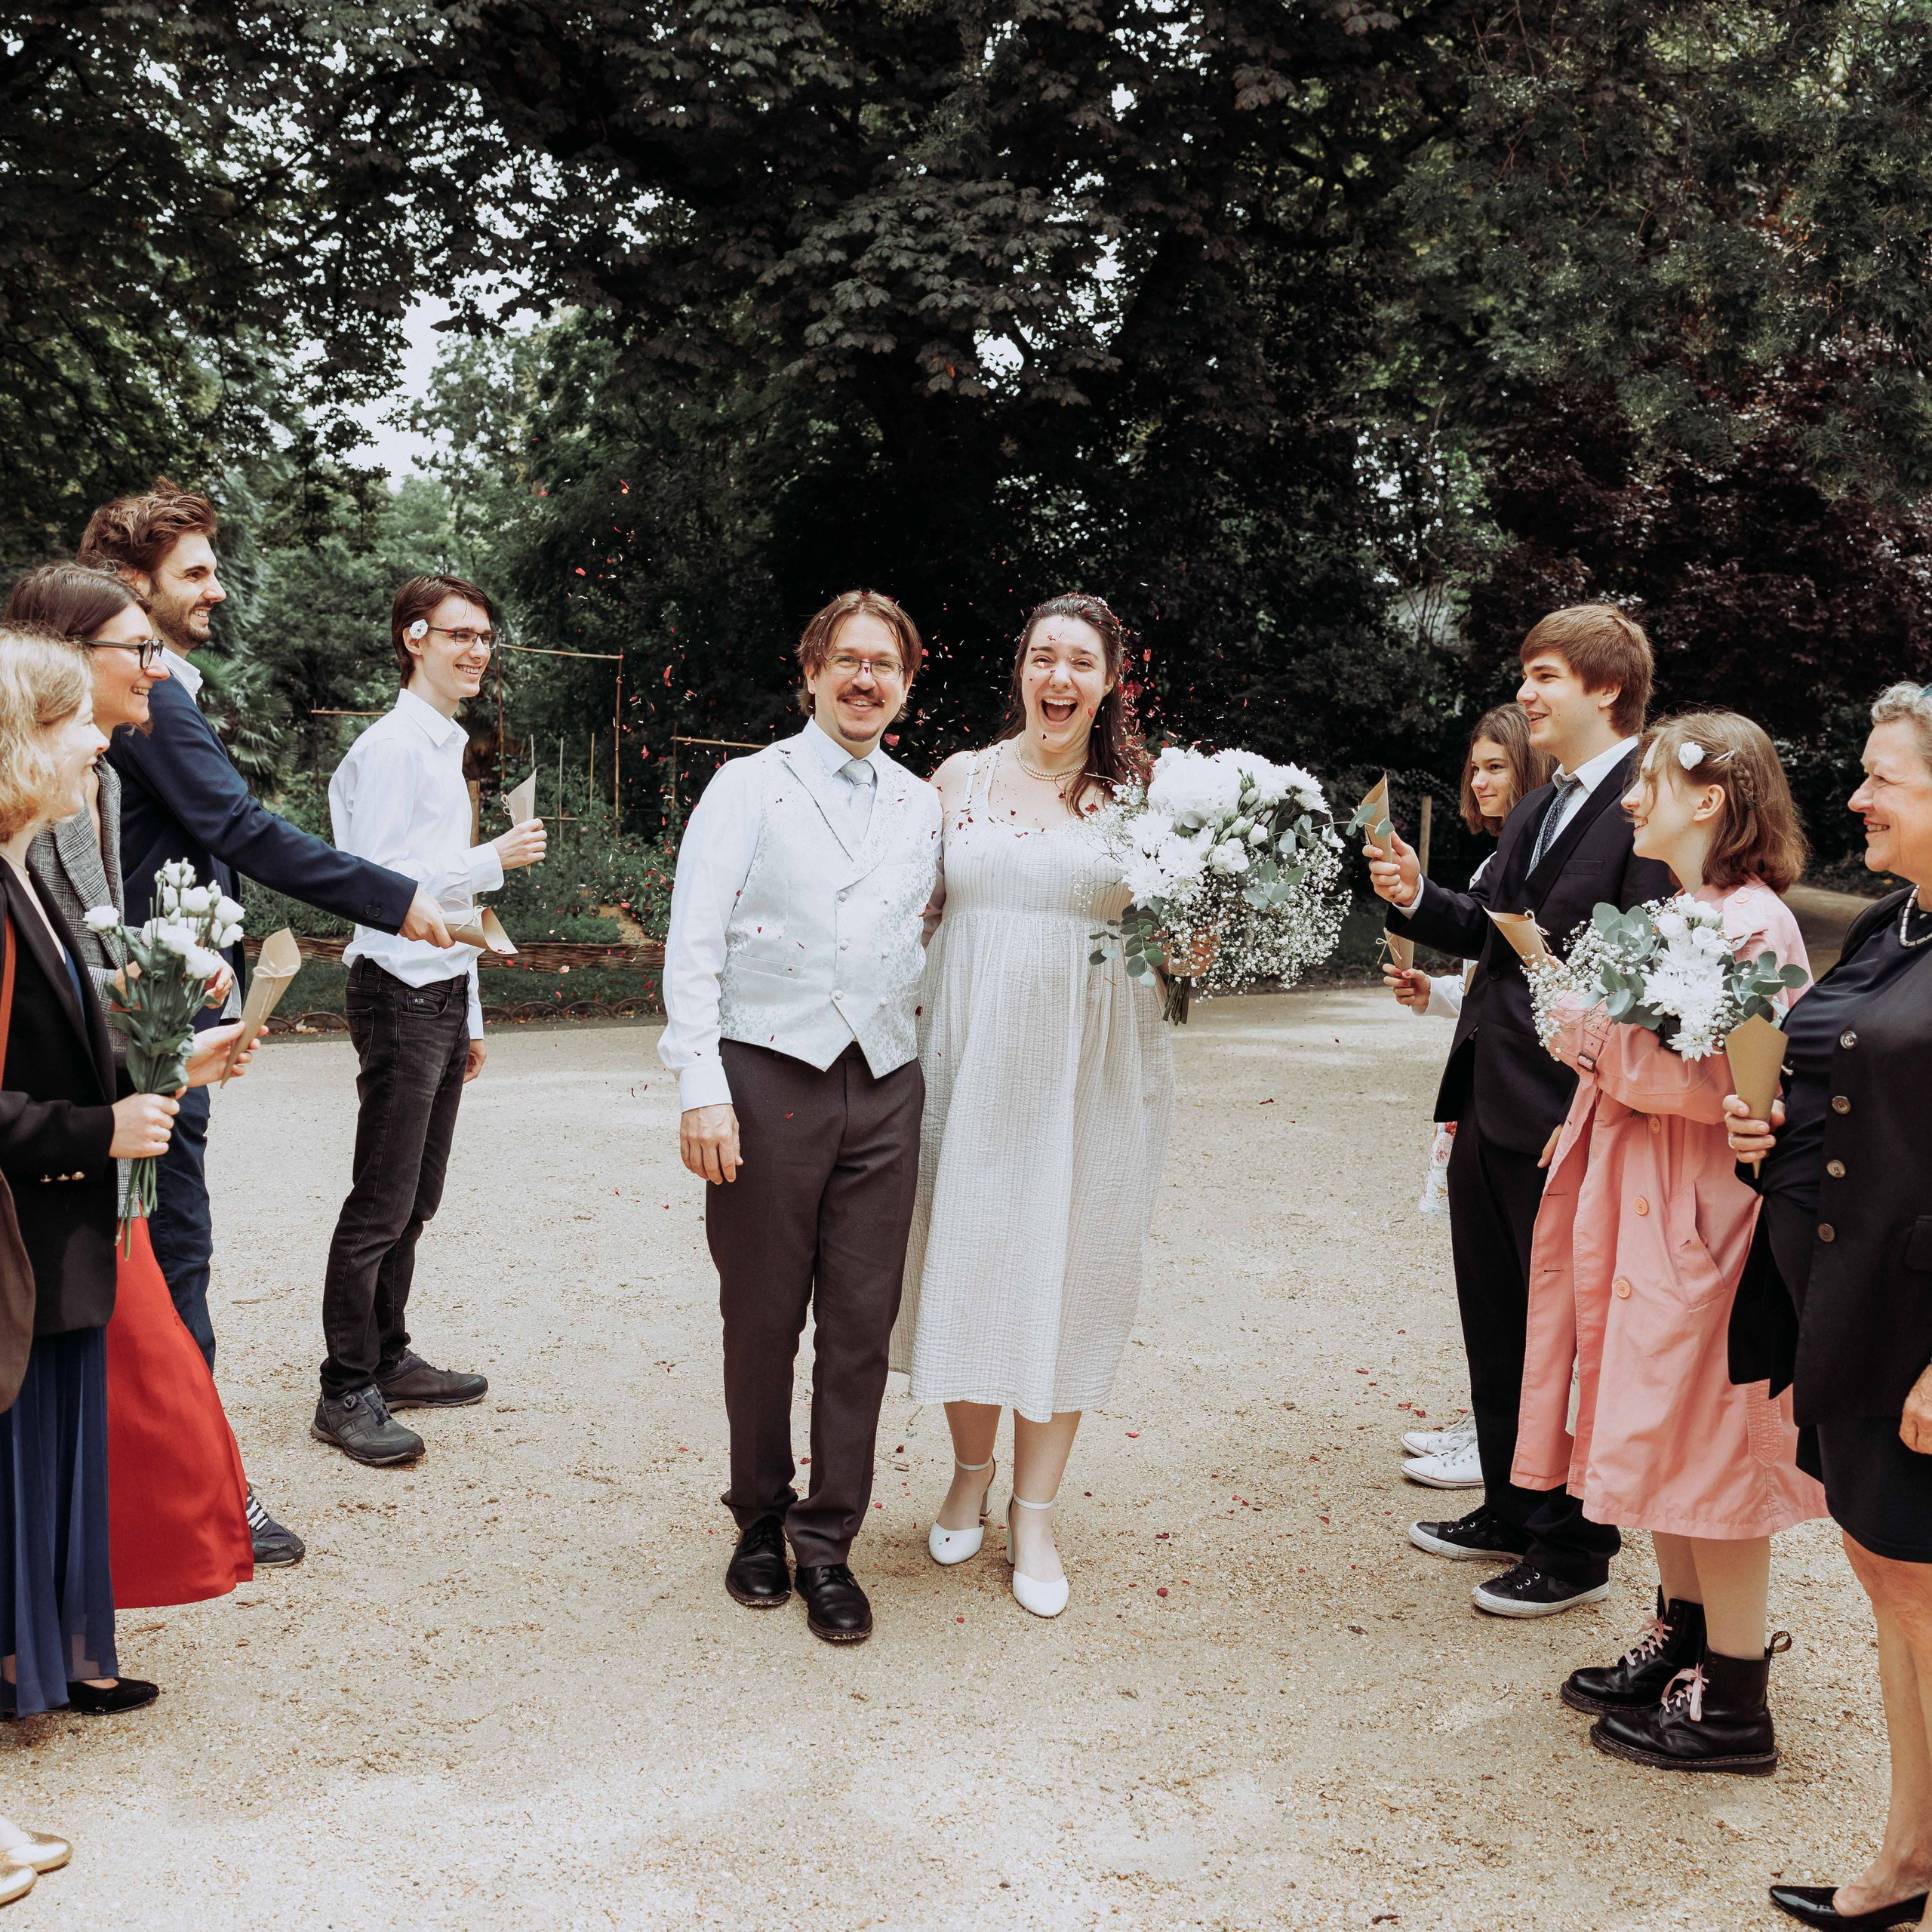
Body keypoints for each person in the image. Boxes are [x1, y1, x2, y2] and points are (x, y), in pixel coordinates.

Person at [78, 481, 453, 1554]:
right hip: (149, 1014)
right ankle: (200, 1492)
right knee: (171, 1250)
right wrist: (394, 897)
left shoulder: (152, 689)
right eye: (195, 571)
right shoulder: (146, 693)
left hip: (164, 998)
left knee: (155, 1248)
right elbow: (233, 823)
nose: (218, 588)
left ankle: (157, 1484)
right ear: (133, 584)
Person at [1518, 709, 1824, 1775]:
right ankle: (1683, 1631)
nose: (1633, 799)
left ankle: (1737, 1695)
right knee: (1655, 1423)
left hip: (1704, 1210)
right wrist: (1595, 1033)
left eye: (1650, 782)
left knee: (1712, 1444)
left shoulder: (1758, 924)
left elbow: (1727, 1084)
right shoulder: (1677, 908)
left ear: (1714, 799)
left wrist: (1604, 1043)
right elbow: (1608, 1044)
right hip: (1639, 1195)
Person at [1369, 604, 1675, 1617]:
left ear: (1605, 688)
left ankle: (1576, 1543)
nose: (1528, 696)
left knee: (1574, 1335)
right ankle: (1509, 1503)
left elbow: (1655, 972)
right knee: (1500, 1318)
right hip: (1491, 1102)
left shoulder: (1652, 805)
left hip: (1575, 1114)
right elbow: (1492, 930)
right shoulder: (1543, 807)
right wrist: (1418, 896)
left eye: (1545, 677)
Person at [660, 589, 940, 1644]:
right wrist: (699, 1084)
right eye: (848, 661)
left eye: (887, 666)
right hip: (766, 1074)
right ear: (812, 670)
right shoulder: (748, 787)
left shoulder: (922, 805)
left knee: (861, 1325)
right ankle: (758, 1519)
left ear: (906, 686)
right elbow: (694, 943)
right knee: (764, 1317)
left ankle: (830, 1543)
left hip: (886, 1082)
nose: (867, 681)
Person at [891, 592, 1173, 1620]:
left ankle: (1035, 1508)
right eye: (1043, 657)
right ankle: (967, 1472)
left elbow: (1182, 941)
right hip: (965, 1062)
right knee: (970, 1252)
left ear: (1109, 683)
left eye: (1081, 663)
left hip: (1085, 1068)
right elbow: (901, 908)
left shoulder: (1146, 798)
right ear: (1021, 671)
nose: (1059, 677)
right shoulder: (958, 779)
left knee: (1068, 1267)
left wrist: (1201, 934)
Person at [0, 624, 253, 1724]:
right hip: (25, 1225)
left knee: (56, 1442)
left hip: (53, 1230)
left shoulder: (22, 872)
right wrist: (98, 1130)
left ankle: (41, 1658)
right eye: (68, 728)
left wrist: (170, 1062)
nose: (93, 749)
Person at [1725, 685, 1932, 1927]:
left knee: (1926, 1608)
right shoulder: (1892, 925)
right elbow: (1844, 1083)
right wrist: (1773, 1129)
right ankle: (1909, 1857)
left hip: (1921, 1345)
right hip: (1844, 1313)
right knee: (1892, 1598)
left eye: (1883, 778)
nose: (1854, 796)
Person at [315, 577, 545, 1466]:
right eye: (459, 634)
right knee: (380, 1200)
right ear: (413, 638)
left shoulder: (445, 744)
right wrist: (492, 857)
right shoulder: (387, 750)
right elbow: (378, 883)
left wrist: (472, 1010)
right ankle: (344, 1389)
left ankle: (389, 1354)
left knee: (417, 1198)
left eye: (485, 636)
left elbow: (442, 904)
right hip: (396, 990)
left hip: (442, 994)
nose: (477, 650)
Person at [1385, 704, 1551, 1489]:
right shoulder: (1501, 860)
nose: (1481, 781)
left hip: (1532, 1099)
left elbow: (1534, 980)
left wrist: (1424, 900)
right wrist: (1439, 992)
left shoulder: (1546, 853)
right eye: (1475, 768)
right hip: (1483, 1080)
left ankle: (1511, 1441)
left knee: (1526, 1286)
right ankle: (1490, 1423)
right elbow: (1499, 972)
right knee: (1494, 1289)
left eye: (1497, 766)